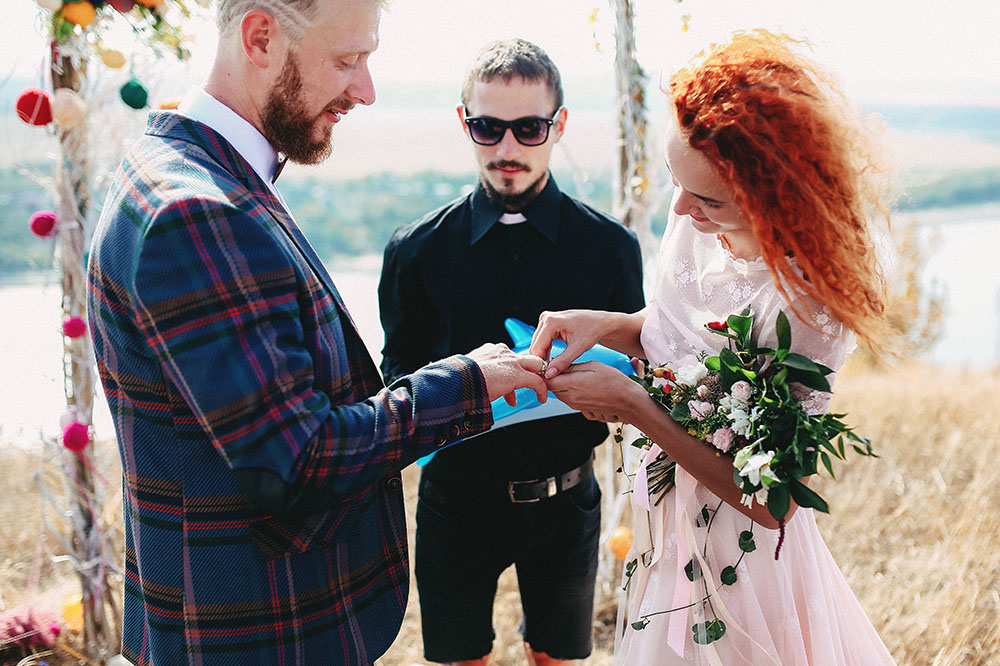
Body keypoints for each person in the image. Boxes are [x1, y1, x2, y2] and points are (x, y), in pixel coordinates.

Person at [86, 2, 548, 664]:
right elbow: (297, 461)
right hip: (257, 635)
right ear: (261, 36)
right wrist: (467, 383)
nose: (365, 90)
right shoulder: (196, 213)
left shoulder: (186, 169)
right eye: (347, 60)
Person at [528, 30, 897, 665]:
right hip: (664, 522)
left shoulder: (806, 308)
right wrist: (609, 324)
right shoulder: (691, 213)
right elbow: (684, 336)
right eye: (676, 178)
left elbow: (774, 502)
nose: (679, 207)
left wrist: (636, 406)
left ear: (772, 192)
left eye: (709, 199)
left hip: (740, 556)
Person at [378, 39, 644, 666]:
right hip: (454, 502)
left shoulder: (610, 248)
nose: (506, 150)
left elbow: (644, 371)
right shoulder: (414, 251)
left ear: (559, 125)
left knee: (555, 659)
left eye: (528, 129)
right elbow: (395, 378)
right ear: (463, 121)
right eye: (487, 127)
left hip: (567, 499)